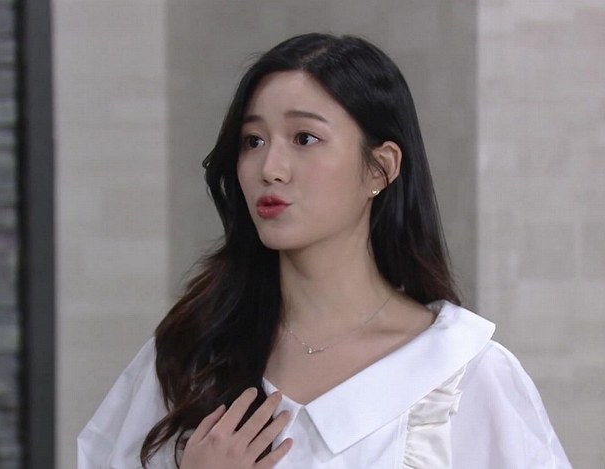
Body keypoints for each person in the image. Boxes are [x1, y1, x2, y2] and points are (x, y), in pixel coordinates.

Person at [78, 33, 571, 469]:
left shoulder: (462, 373)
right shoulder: (192, 354)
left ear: (380, 168)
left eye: (305, 138)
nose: (270, 168)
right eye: (253, 140)